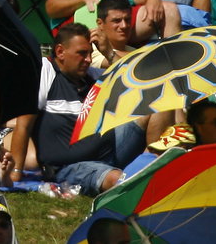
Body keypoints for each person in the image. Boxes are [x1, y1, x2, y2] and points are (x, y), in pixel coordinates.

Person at [15, 23, 144, 196]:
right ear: (60, 52)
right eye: (82, 53)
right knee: (116, 179)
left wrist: (109, 53)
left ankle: (152, 162)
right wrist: (16, 173)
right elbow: (23, 126)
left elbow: (142, 81)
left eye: (90, 53)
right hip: (72, 167)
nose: (89, 59)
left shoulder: (92, 76)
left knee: (155, 109)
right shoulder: (47, 72)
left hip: (112, 150)